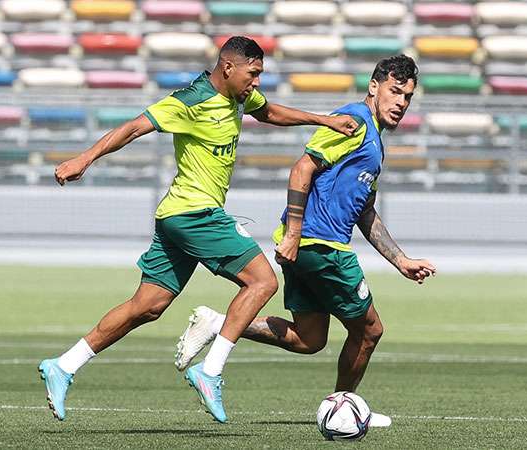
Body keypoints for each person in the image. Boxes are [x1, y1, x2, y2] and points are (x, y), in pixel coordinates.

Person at [38, 36, 358, 423]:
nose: (256, 82)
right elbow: (134, 127)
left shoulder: (239, 98)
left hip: (176, 217)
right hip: (195, 213)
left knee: (148, 306)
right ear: (228, 68)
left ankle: (64, 365)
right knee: (262, 282)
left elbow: (271, 113)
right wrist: (84, 159)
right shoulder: (191, 100)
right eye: (253, 74)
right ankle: (210, 371)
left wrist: (324, 119)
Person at [174, 54, 436, 427]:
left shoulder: (374, 141)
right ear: (374, 87)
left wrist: (401, 260)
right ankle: (343, 406)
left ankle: (218, 322)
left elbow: (365, 212)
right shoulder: (354, 122)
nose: (401, 103)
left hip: (308, 246)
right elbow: (302, 168)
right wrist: (295, 233)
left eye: (408, 97)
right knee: (369, 330)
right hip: (321, 245)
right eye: (395, 92)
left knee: (309, 338)